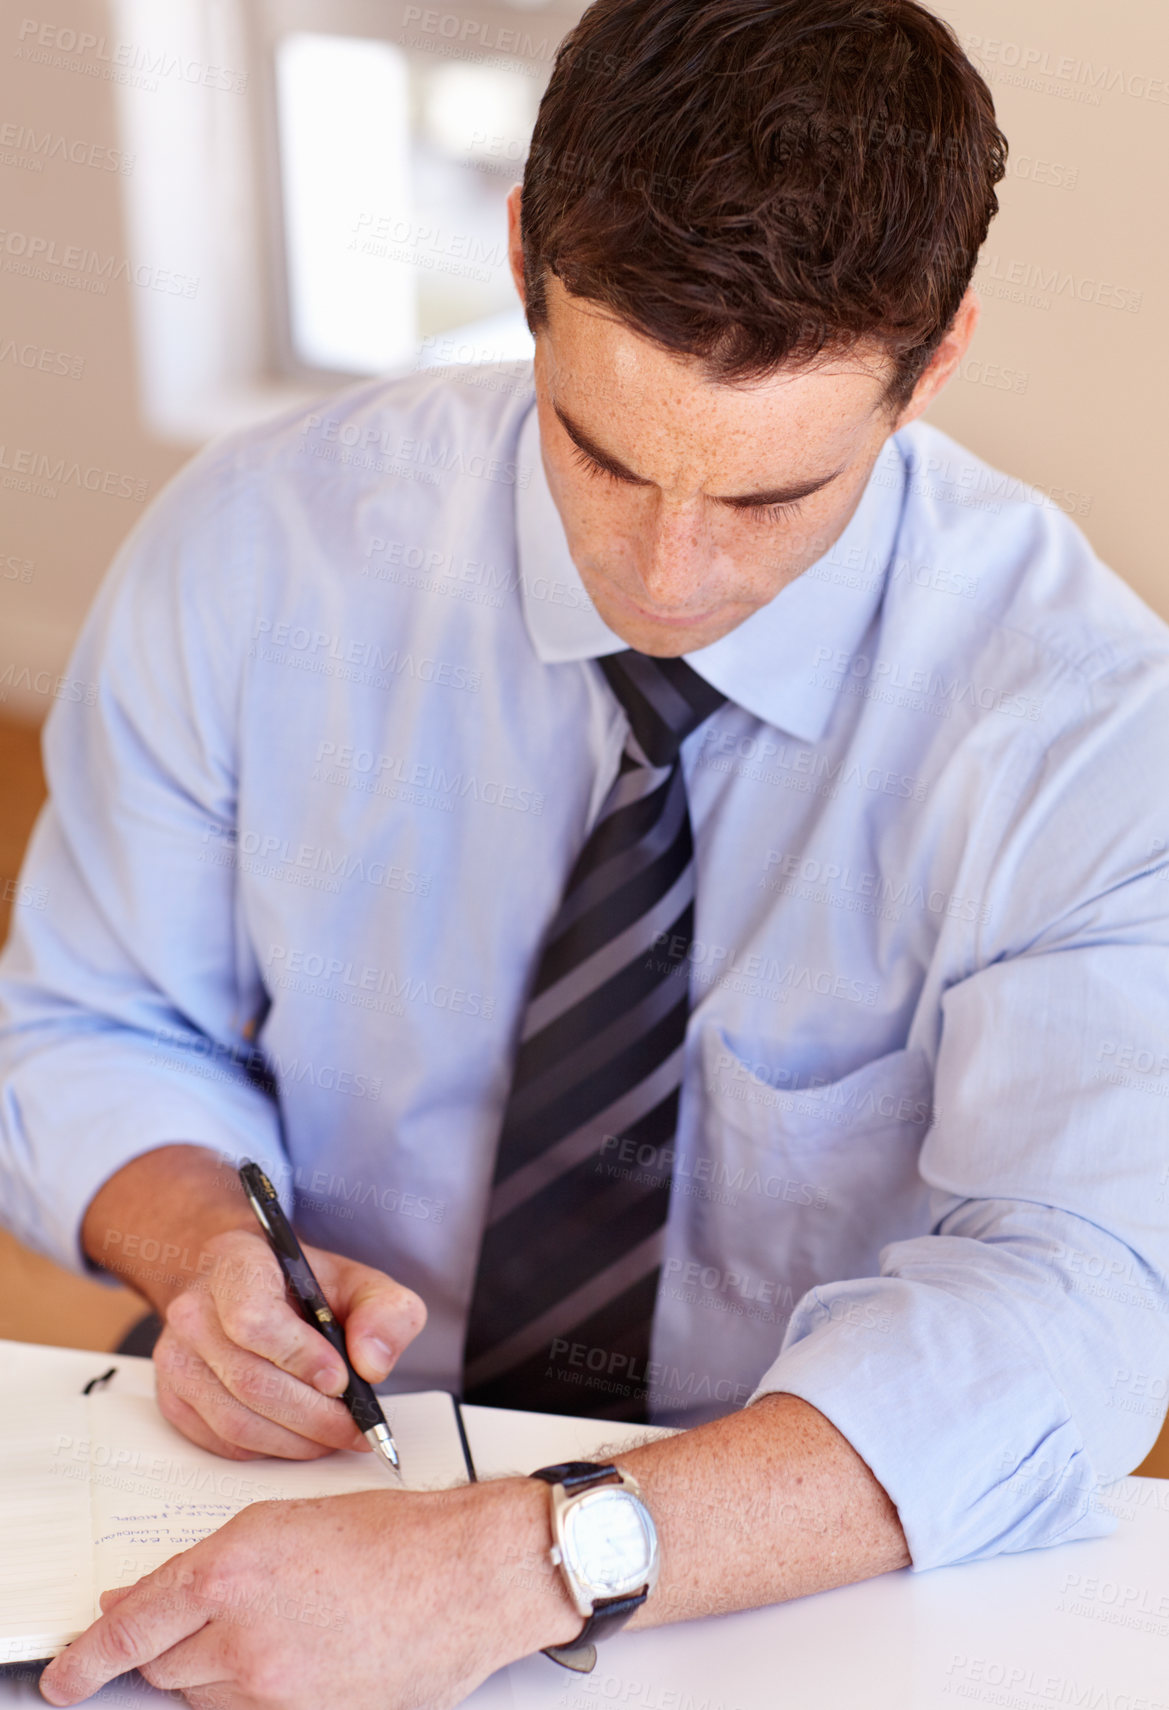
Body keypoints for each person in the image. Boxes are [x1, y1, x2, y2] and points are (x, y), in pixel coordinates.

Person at [3, 0, 1168, 1704]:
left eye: (771, 498)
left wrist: (522, 1555)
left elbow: (1070, 1305)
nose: (668, 571)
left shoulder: (1088, 726)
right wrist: (203, 1252)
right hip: (320, 1452)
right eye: (598, 451)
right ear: (521, 257)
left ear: (933, 362)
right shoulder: (256, 551)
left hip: (775, 1526)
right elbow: (90, 1024)